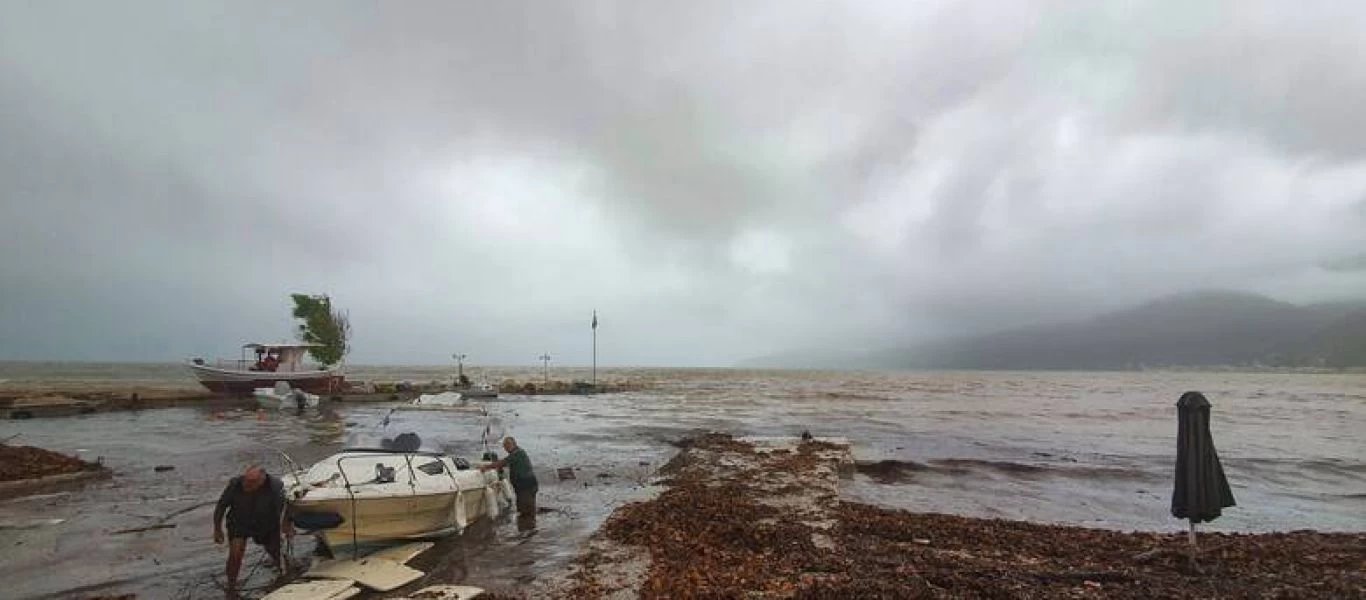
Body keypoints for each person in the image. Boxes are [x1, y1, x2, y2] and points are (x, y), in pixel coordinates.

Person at [213, 465, 293, 591]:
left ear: (261, 481)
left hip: (266, 523)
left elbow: (287, 508)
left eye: (251, 483)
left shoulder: (275, 487)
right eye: (245, 480)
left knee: (274, 550)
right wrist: (217, 529)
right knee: (235, 554)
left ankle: (285, 572)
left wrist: (286, 525)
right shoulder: (235, 484)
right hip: (239, 522)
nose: (246, 485)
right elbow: (221, 506)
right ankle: (231, 587)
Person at [480, 437, 538, 516]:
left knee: (526, 509)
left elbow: (503, 462)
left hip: (526, 485)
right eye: (504, 446)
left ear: (512, 444)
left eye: (506, 446)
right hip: (524, 486)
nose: (505, 448)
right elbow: (505, 463)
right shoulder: (516, 453)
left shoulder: (517, 453)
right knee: (524, 507)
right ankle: (528, 524)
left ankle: (529, 525)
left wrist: (486, 467)